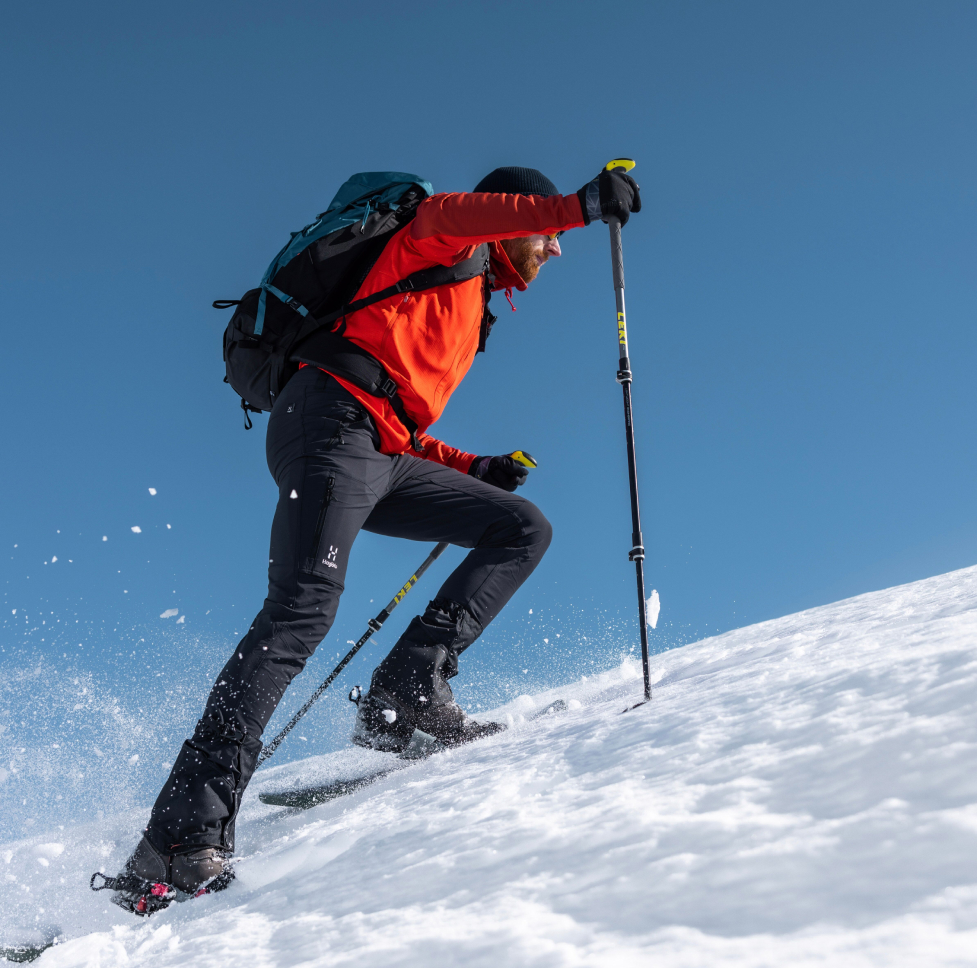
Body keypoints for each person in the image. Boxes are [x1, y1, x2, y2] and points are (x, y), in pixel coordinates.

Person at [115, 164, 642, 907]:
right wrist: (579, 206)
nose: (555, 250)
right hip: (326, 424)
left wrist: (474, 465)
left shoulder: (469, 303)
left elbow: (395, 409)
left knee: (518, 527)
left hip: (375, 444)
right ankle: (176, 839)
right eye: (549, 237)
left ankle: (405, 690)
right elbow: (442, 220)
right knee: (303, 608)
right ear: (513, 217)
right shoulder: (440, 237)